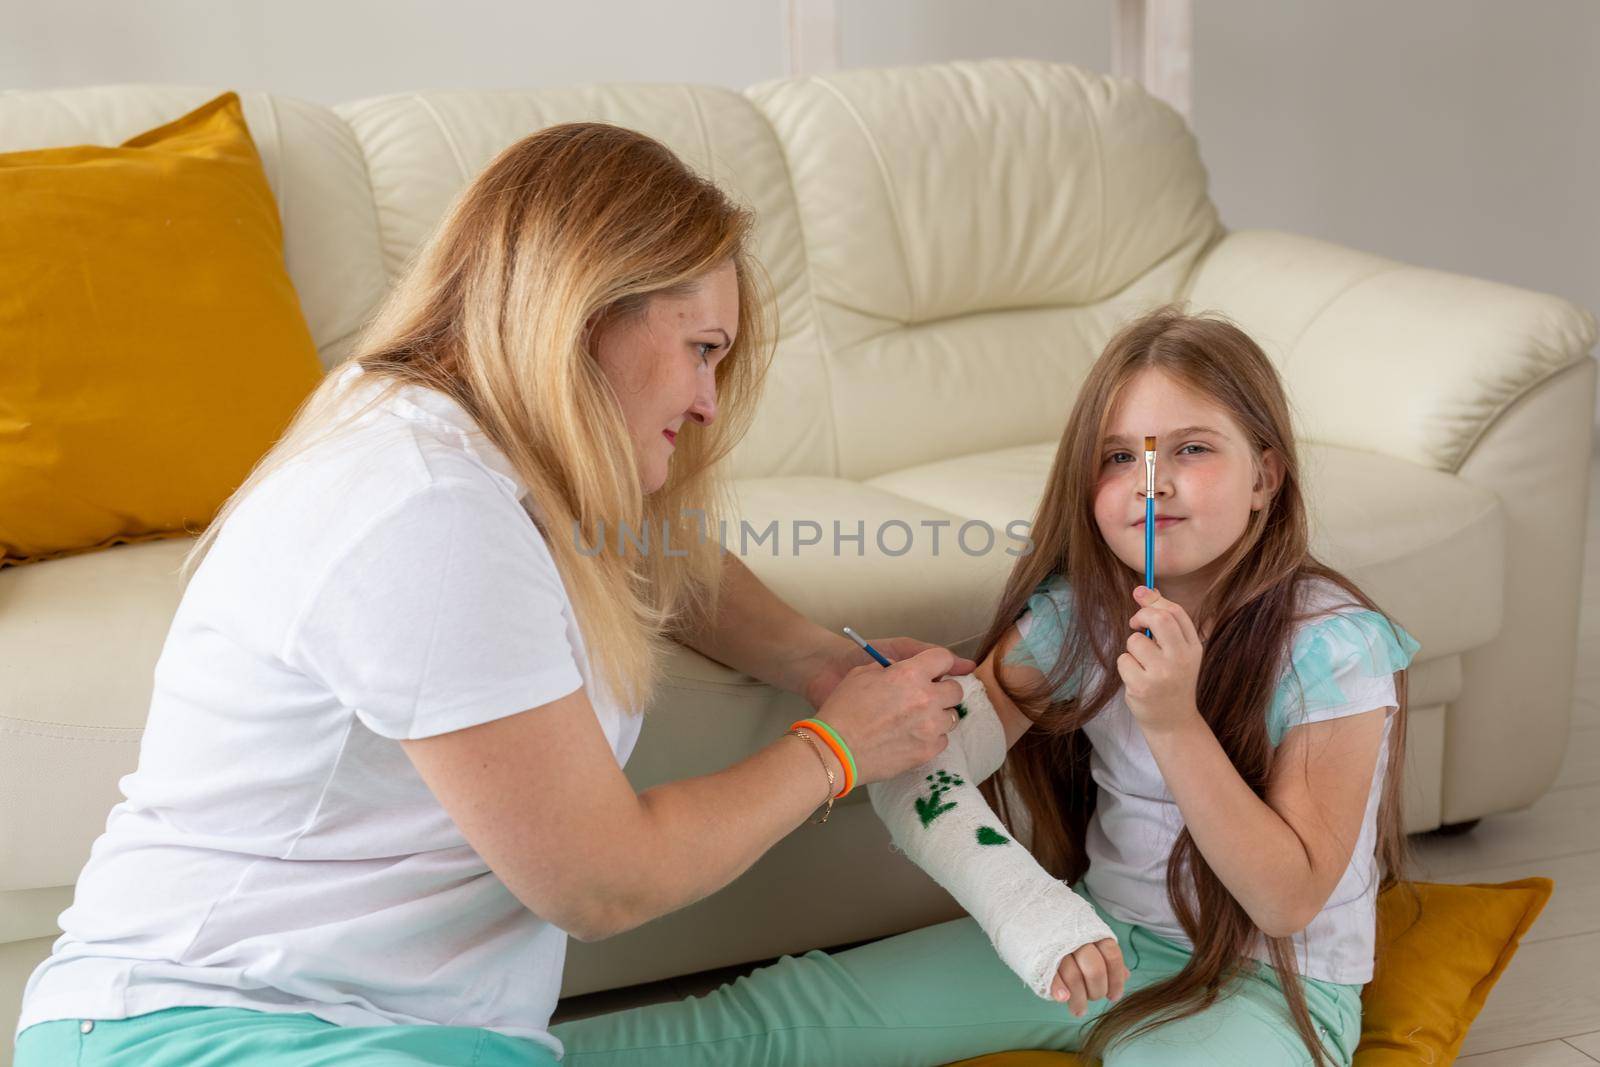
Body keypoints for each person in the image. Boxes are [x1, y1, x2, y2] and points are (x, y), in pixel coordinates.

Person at [11, 122, 976, 1067]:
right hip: (214, 1026)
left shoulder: (478, 448)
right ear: (590, 310)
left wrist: (823, 662)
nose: (708, 401)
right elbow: (601, 883)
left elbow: (659, 554)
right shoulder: (423, 506)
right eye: (703, 349)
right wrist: (838, 749)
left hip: (408, 1033)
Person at [550, 307, 1422, 1067]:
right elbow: (925, 757)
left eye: (1191, 449)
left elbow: (1288, 897)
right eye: (1119, 457)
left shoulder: (1331, 644)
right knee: (783, 1021)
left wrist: (1174, 724)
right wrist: (1032, 912)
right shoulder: (1077, 617)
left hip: (1269, 981)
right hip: (1099, 937)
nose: (1151, 481)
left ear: (1266, 475)